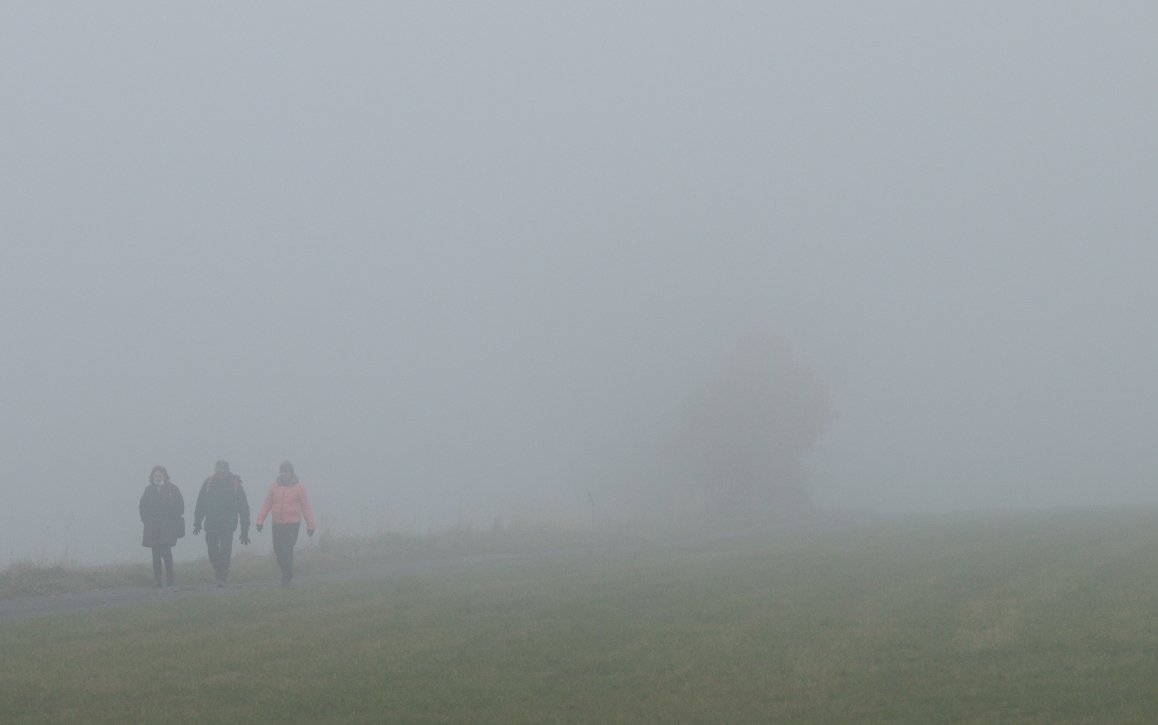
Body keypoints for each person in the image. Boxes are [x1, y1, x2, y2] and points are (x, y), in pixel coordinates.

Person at [255, 461, 316, 585]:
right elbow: (267, 504)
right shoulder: (274, 487)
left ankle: (286, 577)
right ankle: (287, 572)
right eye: (282, 472)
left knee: (287, 550)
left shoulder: (299, 488)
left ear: (291, 473)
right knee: (278, 550)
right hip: (277, 524)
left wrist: (310, 525)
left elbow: (305, 506)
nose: (284, 474)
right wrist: (260, 520)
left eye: (286, 471)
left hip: (292, 524)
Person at [192, 460, 251, 586]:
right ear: (215, 469)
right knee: (212, 551)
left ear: (228, 470)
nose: (221, 471)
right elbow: (200, 503)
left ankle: (221, 577)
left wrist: (244, 530)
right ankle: (220, 570)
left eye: (224, 469)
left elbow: (243, 507)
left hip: (228, 524)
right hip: (211, 523)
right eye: (219, 468)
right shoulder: (208, 483)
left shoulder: (235, 484)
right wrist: (197, 522)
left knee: (225, 551)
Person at [139, 465, 184, 587]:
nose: (157, 478)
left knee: (166, 552)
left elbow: (180, 506)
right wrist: (146, 520)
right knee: (155, 555)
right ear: (152, 477)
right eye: (155, 475)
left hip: (167, 528)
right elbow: (142, 506)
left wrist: (171, 519)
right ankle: (158, 581)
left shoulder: (173, 489)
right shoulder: (148, 490)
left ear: (165, 476)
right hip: (152, 528)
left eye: (160, 475)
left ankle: (170, 579)